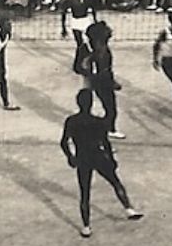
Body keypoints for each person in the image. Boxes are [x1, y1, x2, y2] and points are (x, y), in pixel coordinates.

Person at [59, 88, 139, 237]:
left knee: (85, 193)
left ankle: (86, 226)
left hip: (83, 158)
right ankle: (129, 209)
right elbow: (106, 143)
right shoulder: (99, 122)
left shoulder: (71, 121)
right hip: (98, 156)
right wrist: (112, 160)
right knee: (115, 182)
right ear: (91, 103)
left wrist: (70, 157)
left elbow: (63, 142)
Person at [83, 21, 125, 139]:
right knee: (110, 109)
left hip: (100, 81)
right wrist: (112, 83)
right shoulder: (99, 51)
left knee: (109, 109)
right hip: (101, 82)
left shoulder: (100, 47)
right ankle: (105, 133)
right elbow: (103, 71)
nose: (110, 31)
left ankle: (108, 130)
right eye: (107, 30)